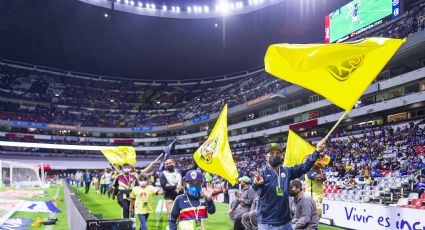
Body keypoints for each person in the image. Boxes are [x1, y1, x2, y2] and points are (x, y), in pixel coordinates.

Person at [252, 139, 326, 230]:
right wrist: (256, 183)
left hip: (285, 222)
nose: (275, 155)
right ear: (266, 156)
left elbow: (304, 167)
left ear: (281, 155)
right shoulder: (261, 173)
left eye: (278, 153)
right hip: (267, 223)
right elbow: (255, 187)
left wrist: (317, 151)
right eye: (271, 153)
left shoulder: (287, 171)